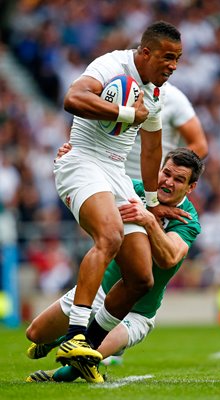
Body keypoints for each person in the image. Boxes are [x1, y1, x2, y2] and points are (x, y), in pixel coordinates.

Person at [51, 20, 187, 381]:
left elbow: (152, 146)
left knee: (141, 278)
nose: (173, 65)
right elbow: (73, 99)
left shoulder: (155, 92)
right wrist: (130, 114)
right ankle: (73, 336)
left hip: (117, 176)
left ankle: (86, 350)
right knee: (109, 237)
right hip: (83, 160)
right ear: (145, 52)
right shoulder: (110, 67)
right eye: (167, 57)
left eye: (178, 59)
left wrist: (154, 201)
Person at [26, 148, 204, 383]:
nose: (168, 182)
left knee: (89, 356)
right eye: (166, 173)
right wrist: (76, 157)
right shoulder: (134, 189)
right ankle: (56, 339)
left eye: (179, 179)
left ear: (190, 187)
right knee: (34, 334)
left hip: (139, 313)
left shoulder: (188, 219)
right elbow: (93, 180)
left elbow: (169, 258)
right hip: (101, 291)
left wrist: (148, 220)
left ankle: (55, 377)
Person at [125, 80, 208, 179]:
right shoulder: (123, 84)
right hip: (113, 176)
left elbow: (200, 146)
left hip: (149, 185)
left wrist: (168, 172)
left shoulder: (174, 97)